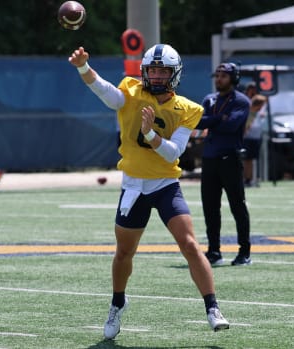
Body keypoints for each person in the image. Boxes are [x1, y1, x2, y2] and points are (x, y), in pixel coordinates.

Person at [68, 44, 230, 339]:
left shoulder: (187, 109)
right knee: (124, 252)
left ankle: (212, 307)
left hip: (166, 185)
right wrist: (82, 67)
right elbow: (105, 91)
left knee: (190, 244)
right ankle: (117, 302)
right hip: (134, 185)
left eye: (162, 71)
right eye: (152, 70)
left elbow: (173, 153)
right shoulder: (131, 92)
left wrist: (150, 134)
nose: (155, 76)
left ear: (174, 74)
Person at [195, 62, 252, 269]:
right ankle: (214, 251)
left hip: (230, 159)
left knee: (237, 206)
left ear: (234, 79)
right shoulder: (209, 99)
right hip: (210, 159)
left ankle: (244, 251)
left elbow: (231, 126)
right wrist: (219, 118)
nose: (219, 79)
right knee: (210, 207)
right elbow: (198, 122)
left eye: (224, 76)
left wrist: (214, 121)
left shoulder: (242, 101)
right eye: (217, 75)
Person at [243, 94, 267, 187]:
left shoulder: (256, 113)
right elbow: (245, 127)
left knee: (251, 160)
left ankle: (250, 179)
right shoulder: (248, 112)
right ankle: (247, 179)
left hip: (255, 138)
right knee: (247, 160)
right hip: (247, 139)